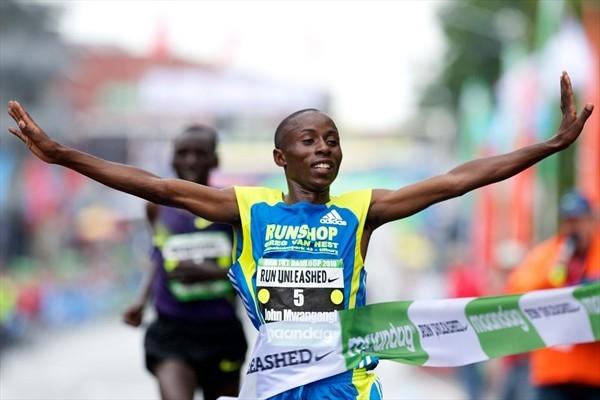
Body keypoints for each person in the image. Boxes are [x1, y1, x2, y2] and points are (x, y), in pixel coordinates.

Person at [7, 71, 594, 399]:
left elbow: (457, 180)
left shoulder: (363, 210)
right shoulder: (248, 209)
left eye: (332, 139)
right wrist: (62, 155)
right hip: (272, 383)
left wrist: (547, 146)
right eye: (309, 140)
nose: (324, 149)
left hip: (344, 383)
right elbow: (157, 186)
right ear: (280, 156)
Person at [122, 125, 247, 400]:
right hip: (172, 330)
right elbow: (158, 255)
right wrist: (140, 302)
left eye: (200, 153)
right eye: (183, 153)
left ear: (215, 160)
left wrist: (211, 272)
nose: (191, 160)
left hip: (221, 331)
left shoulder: (232, 208)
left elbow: (251, 268)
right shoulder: (156, 206)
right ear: (172, 159)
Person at [507, 191, 600, 400]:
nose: (573, 227)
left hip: (594, 373)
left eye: (578, 220)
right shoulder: (546, 254)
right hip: (553, 372)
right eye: (568, 221)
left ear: (591, 220)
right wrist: (553, 273)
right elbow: (518, 291)